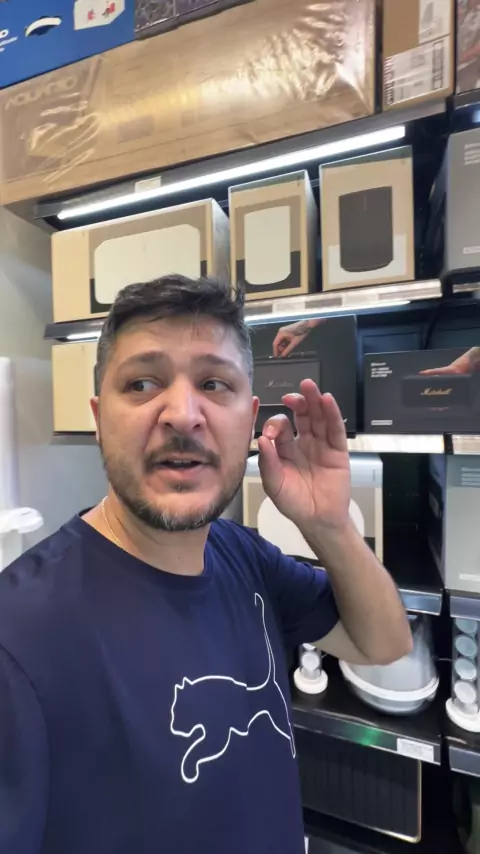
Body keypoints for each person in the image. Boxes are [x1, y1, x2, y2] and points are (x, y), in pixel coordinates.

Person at [0, 275, 412, 854]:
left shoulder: (245, 556)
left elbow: (384, 644)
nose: (182, 414)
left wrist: (330, 525)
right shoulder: (18, 638)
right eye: (142, 384)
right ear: (98, 416)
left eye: (214, 384)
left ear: (250, 420)